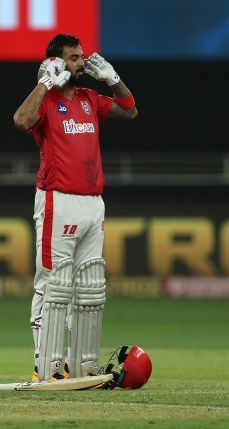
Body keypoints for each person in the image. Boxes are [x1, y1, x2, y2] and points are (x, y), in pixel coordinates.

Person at [12, 33, 138, 381]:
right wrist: (42, 83)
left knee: (88, 288)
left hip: (93, 204)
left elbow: (130, 111)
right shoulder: (46, 101)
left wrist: (114, 80)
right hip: (58, 199)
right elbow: (21, 120)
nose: (81, 62)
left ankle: (82, 365)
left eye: (81, 56)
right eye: (73, 57)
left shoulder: (89, 99)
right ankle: (45, 365)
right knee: (52, 285)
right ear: (55, 62)